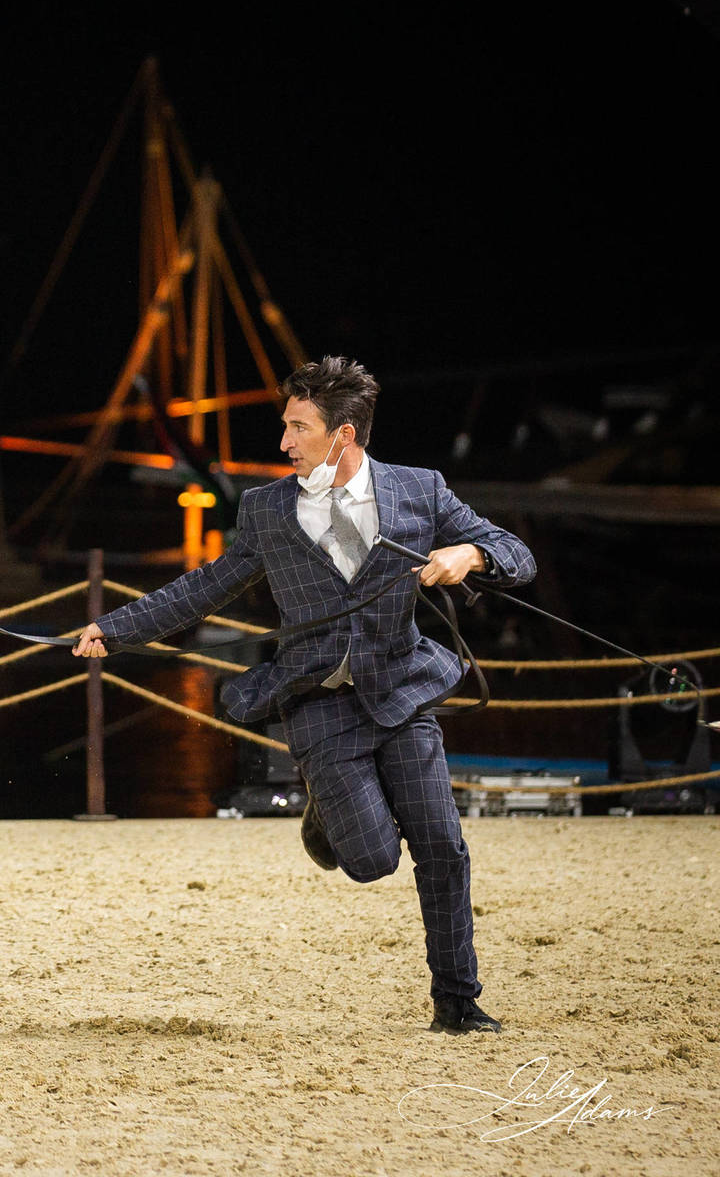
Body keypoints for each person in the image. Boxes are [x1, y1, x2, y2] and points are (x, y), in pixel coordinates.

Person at [73, 356, 535, 1034]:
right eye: (286, 427)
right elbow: (204, 586)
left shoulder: (419, 491)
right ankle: (324, 813)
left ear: (343, 435)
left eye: (298, 427)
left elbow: (514, 552)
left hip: (402, 694)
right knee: (373, 861)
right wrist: (113, 630)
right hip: (320, 704)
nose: (285, 442)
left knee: (443, 844)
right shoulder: (266, 510)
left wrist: (471, 556)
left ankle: (457, 1003)